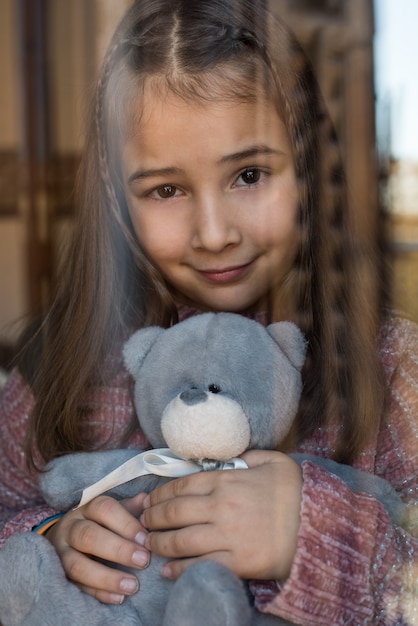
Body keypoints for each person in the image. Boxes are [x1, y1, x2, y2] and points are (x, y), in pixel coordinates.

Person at [0, 0, 417, 623]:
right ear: (118, 203)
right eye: (166, 190)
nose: (215, 233)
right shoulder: (66, 370)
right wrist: (46, 541)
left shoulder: (396, 370)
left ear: (310, 170)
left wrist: (323, 534)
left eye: (249, 174)